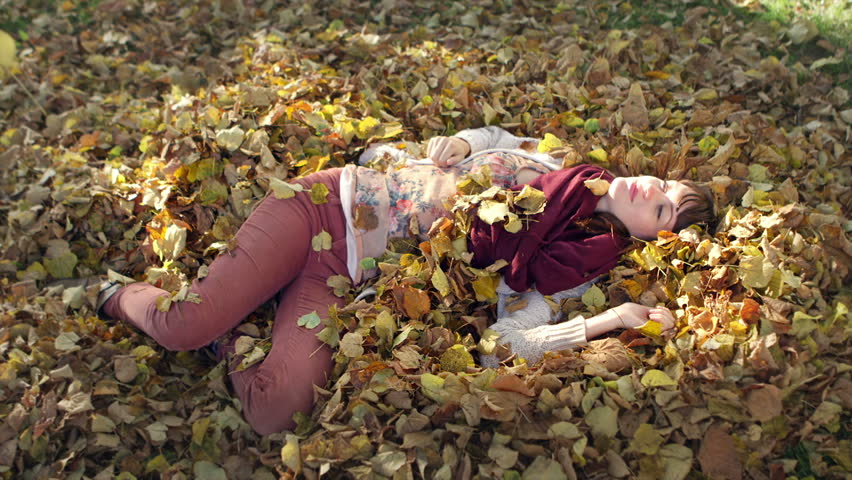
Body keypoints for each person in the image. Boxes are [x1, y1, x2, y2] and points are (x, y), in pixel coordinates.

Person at [98, 126, 716, 435]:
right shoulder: (559, 165)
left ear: (652, 238)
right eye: (664, 185)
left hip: (343, 277)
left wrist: (611, 321)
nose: (651, 190)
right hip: (322, 207)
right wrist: (462, 141)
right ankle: (116, 295)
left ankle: (227, 340)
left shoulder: (572, 272)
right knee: (185, 322)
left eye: (662, 207)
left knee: (275, 411)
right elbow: (496, 137)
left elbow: (508, 343)